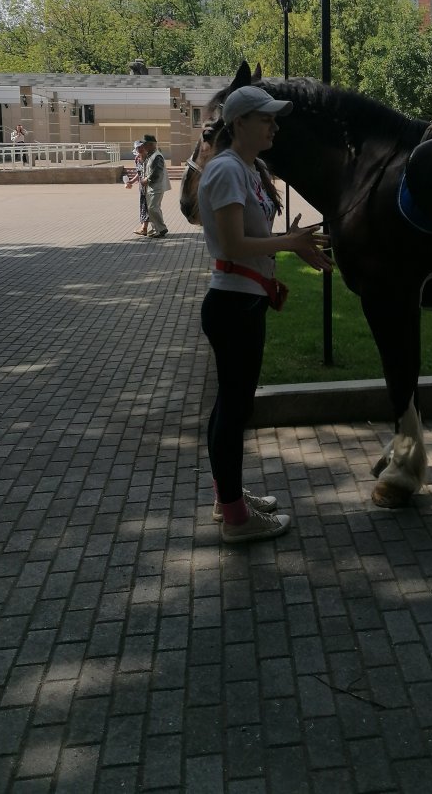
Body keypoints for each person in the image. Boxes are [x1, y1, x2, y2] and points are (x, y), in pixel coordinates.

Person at [197, 85, 332, 543]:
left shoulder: (249, 169)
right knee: (234, 409)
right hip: (233, 304)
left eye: (275, 119)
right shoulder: (229, 171)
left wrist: (288, 244)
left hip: (244, 300)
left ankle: (228, 498)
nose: (275, 126)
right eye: (265, 118)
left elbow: (252, 241)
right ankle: (236, 519)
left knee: (231, 406)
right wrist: (289, 243)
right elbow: (234, 245)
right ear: (238, 124)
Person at [140, 134, 170, 238]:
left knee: (153, 208)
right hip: (152, 187)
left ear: (152, 144)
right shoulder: (150, 154)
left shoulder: (157, 156)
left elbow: (157, 171)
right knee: (152, 208)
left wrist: (146, 180)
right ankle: (156, 229)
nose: (143, 146)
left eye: (145, 144)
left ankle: (161, 229)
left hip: (156, 186)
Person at [124, 139, 149, 235]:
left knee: (148, 206)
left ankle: (144, 228)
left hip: (149, 186)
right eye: (138, 147)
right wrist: (130, 181)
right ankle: (144, 227)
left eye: (142, 147)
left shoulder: (148, 159)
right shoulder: (137, 159)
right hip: (141, 186)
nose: (140, 149)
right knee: (143, 205)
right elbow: (138, 174)